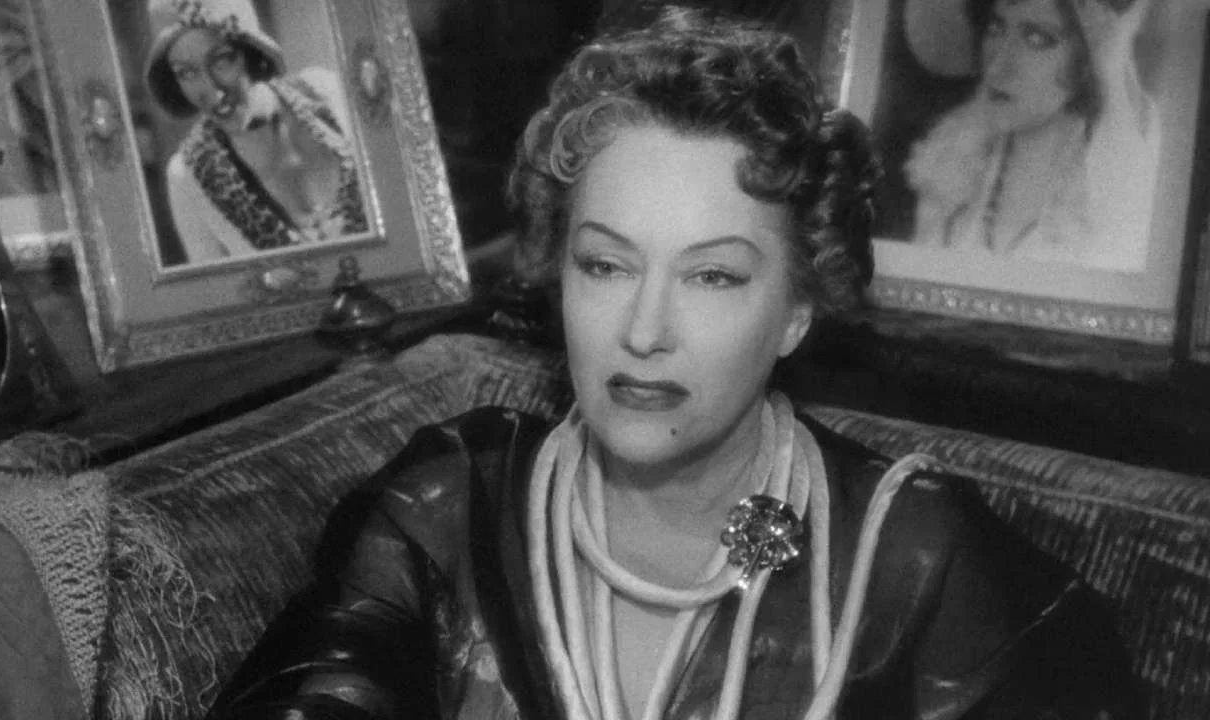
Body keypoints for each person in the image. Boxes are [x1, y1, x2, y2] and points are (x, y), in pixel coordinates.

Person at [205, 7, 1140, 719]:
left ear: (797, 311)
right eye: (605, 265)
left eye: (713, 276)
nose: (645, 330)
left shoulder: (911, 555)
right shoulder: (452, 504)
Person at [904, 0, 1158, 270]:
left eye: (1037, 39)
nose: (998, 66)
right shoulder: (950, 173)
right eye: (996, 28)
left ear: (1088, 60)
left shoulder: (1117, 191)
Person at [144, 0, 369, 264]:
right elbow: (217, 288)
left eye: (222, 61)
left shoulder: (329, 93)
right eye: (187, 73)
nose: (213, 92)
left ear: (252, 53)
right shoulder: (186, 178)